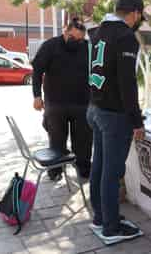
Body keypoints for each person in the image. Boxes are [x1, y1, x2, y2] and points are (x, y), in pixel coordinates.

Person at [86, 0, 145, 241]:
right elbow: (127, 83)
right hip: (113, 114)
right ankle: (110, 226)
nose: (139, 21)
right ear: (134, 13)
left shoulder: (97, 31)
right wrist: (136, 120)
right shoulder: (125, 36)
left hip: (95, 108)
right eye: (140, 16)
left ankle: (101, 216)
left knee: (99, 167)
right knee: (111, 172)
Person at [32, 18, 92, 181]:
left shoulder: (87, 47)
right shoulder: (50, 46)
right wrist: (37, 96)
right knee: (57, 141)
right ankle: (55, 171)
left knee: (83, 142)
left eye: (80, 39)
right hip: (55, 104)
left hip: (82, 104)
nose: (77, 42)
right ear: (65, 32)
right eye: (73, 38)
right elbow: (37, 70)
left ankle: (84, 170)